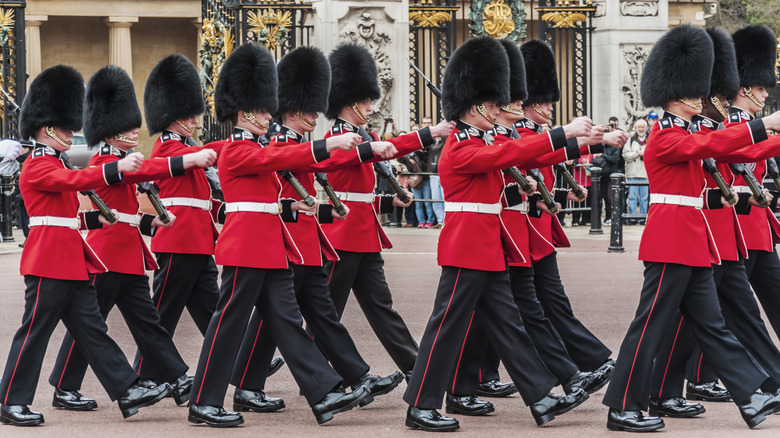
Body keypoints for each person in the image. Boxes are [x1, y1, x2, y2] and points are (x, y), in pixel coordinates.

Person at [403, 36, 591, 433]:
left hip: (488, 246)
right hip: (466, 247)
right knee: (446, 327)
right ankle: (421, 405)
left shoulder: (483, 137)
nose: (498, 110)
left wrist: (573, 142)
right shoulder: (459, 145)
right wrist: (562, 134)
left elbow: (525, 152)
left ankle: (540, 398)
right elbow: (507, 155)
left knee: (509, 324)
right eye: (491, 105)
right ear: (475, 108)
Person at [602, 25, 780, 432]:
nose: (703, 98)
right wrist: (765, 122)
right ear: (677, 94)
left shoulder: (692, 129)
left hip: (695, 240)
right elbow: (710, 147)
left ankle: (753, 395)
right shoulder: (664, 136)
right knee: (649, 324)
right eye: (696, 92)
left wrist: (771, 135)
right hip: (670, 240)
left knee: (713, 326)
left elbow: (736, 149)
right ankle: (622, 406)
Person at [226, 45, 404, 414]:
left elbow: (328, 186)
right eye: (308, 109)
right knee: (275, 317)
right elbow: (309, 176)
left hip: (307, 241)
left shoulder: (298, 143)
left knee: (316, 314)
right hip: (285, 240)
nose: (314, 115)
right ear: (291, 109)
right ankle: (248, 384)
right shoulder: (278, 144)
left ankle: (353, 377)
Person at [0, 64, 172, 427]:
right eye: (65, 126)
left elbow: (75, 188)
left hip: (70, 259)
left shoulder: (54, 160)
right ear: (48, 129)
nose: (71, 131)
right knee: (34, 333)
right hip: (48, 260)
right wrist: (118, 169)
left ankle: (128, 389)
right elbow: (74, 180)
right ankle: (11, 400)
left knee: (93, 330)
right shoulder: (37, 164)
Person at [46, 65, 217, 412]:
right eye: (126, 125)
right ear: (108, 131)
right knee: (91, 324)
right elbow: (150, 170)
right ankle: (64, 386)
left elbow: (124, 213)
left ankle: (176, 378)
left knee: (148, 322)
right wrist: (190, 159)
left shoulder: (121, 161)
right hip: (108, 255)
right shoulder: (106, 160)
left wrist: (151, 225)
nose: (133, 130)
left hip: (130, 254)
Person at [320, 43, 453, 377]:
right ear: (349, 102)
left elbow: (362, 191)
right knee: (326, 312)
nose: (369, 104)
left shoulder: (362, 134)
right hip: (343, 235)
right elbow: (347, 165)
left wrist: (386, 200)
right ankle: (320, 373)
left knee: (382, 308)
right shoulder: (337, 137)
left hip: (364, 233)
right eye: (365, 100)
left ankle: (416, 367)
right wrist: (429, 133)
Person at [520, 39, 619, 377]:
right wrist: (579, 141)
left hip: (537, 228)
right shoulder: (521, 132)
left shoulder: (535, 131)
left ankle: (586, 362)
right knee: (518, 308)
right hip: (522, 229)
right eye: (543, 100)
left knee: (540, 303)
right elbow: (536, 157)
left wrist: (561, 196)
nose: (549, 106)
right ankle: (579, 366)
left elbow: (543, 169)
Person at [133, 54, 223, 383]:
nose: (196, 120)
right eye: (190, 115)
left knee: (215, 311)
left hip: (200, 240)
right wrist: (203, 153)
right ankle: (143, 374)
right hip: (178, 239)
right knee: (162, 314)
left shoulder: (190, 148)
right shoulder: (167, 148)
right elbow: (184, 161)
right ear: (174, 116)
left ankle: (239, 361)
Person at [623, 119, 649, 224]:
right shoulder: (630, 140)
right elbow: (625, 155)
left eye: (643, 127)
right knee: (632, 197)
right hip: (632, 173)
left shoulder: (650, 139)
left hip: (645, 173)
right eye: (639, 127)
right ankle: (632, 218)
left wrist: (645, 154)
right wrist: (637, 153)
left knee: (644, 198)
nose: (641, 129)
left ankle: (643, 218)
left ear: (646, 128)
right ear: (636, 128)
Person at [422, 116, 446, 228]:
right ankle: (440, 221)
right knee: (435, 199)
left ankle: (446, 220)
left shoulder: (445, 141)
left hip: (443, 173)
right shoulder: (431, 142)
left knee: (444, 198)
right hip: (432, 173)